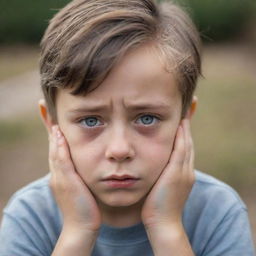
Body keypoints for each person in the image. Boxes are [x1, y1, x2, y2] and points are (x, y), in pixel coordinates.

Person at [0, 0, 255, 255]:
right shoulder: (30, 217)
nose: (119, 149)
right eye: (91, 120)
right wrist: (79, 231)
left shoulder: (217, 212)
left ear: (184, 119)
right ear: (52, 122)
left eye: (146, 118)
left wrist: (166, 229)